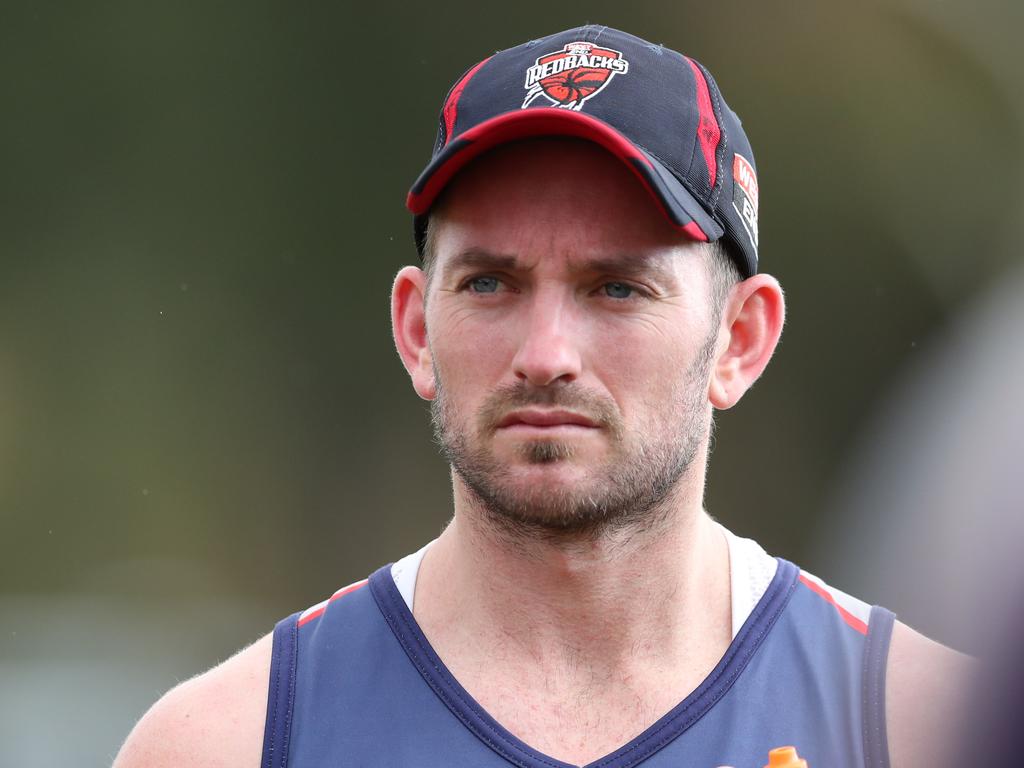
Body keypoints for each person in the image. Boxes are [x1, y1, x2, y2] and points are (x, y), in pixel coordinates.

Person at [114, 25, 971, 768]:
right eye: (490, 284)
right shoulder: (231, 744)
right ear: (416, 329)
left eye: (617, 289)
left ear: (739, 340)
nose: (546, 355)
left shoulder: (926, 732)